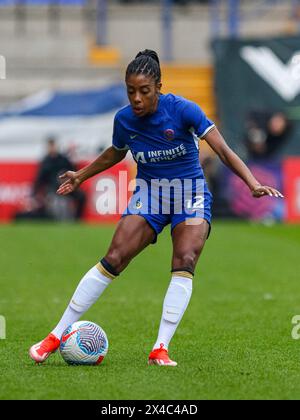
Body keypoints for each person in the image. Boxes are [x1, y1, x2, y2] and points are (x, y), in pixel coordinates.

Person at [29, 50, 283, 367]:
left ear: (158, 86)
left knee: (185, 258)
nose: (136, 98)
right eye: (130, 91)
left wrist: (252, 182)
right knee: (114, 258)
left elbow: (222, 149)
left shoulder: (183, 110)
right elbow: (115, 152)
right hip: (150, 194)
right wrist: (81, 175)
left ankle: (160, 348)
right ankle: (54, 336)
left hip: (190, 193)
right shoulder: (124, 119)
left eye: (144, 91)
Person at [31, 137, 86, 221]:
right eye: (50, 146)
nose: (52, 148)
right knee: (54, 201)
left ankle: (77, 219)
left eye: (53, 145)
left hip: (67, 186)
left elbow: (74, 171)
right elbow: (39, 179)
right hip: (53, 189)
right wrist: (34, 194)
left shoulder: (63, 159)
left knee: (82, 196)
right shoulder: (45, 161)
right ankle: (57, 219)